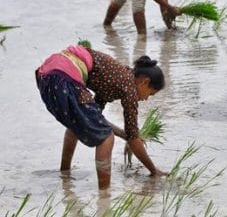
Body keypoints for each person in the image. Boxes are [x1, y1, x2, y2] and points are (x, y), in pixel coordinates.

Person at [35, 45, 168, 190]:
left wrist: (127, 136)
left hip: (47, 76)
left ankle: (65, 173)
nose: (146, 99)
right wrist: (154, 171)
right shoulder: (129, 86)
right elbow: (133, 138)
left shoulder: (116, 78)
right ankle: (104, 194)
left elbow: (95, 119)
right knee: (106, 138)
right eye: (150, 93)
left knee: (77, 122)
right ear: (145, 82)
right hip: (64, 78)